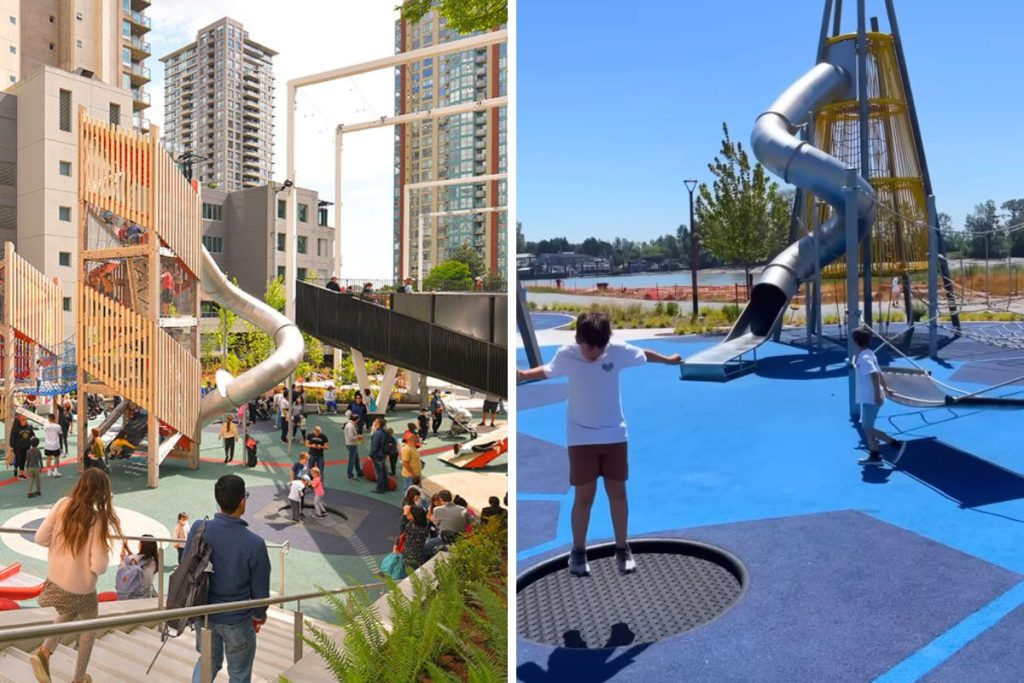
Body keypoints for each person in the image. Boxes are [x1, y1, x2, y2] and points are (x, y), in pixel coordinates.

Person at [516, 310, 682, 576]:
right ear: (578, 339)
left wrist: (668, 360)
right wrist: (523, 375)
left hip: (614, 434)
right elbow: (548, 371)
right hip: (581, 438)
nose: (592, 352)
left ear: (606, 342)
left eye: (598, 347)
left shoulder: (616, 351)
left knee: (618, 494)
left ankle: (622, 548)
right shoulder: (567, 354)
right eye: (588, 346)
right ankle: (578, 552)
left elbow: (644, 354)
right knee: (584, 497)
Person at [30, 468, 123, 683]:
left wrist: (61, 546)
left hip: (55, 581)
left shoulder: (63, 505)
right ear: (102, 493)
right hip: (81, 587)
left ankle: (45, 652)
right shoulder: (96, 519)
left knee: (70, 609)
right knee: (89, 628)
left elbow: (40, 538)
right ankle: (79, 678)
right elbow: (98, 565)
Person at [184, 474, 270, 683]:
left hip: (203, 613)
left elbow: (187, 564)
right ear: (242, 501)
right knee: (239, 674)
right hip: (237, 619)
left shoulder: (199, 528)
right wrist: (258, 616)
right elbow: (261, 591)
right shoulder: (254, 544)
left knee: (207, 662)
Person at [852, 327, 904, 466]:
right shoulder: (869, 353)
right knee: (867, 427)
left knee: (867, 427)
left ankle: (895, 444)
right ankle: (875, 455)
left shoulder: (864, 357)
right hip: (870, 397)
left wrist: (877, 395)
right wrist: (885, 388)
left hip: (871, 398)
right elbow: (879, 373)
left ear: (856, 342)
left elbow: (874, 374)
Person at [425, 490, 471, 557]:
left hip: (443, 539)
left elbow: (437, 524)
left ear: (440, 499)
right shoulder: (463, 509)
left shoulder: (437, 509)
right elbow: (471, 520)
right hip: (460, 538)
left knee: (426, 547)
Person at [116, 535, 158, 599]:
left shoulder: (133, 559)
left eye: (139, 542)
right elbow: (138, 562)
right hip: (148, 592)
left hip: (136, 594)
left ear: (142, 545)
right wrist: (128, 550)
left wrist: (122, 559)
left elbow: (125, 571)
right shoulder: (154, 561)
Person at [401, 506, 430, 573]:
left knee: (410, 575)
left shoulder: (412, 527)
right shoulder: (425, 525)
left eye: (409, 514)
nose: (408, 515)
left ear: (415, 516)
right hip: (418, 555)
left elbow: (401, 528)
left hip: (410, 557)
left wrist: (405, 513)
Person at [11, 413, 35, 479]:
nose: (24, 421)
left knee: (23, 460)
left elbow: (32, 434)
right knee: (19, 459)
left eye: (25, 420)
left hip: (26, 446)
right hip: (17, 447)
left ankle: (21, 474)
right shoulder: (16, 428)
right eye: (22, 420)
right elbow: (12, 437)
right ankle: (16, 466)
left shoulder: (29, 427)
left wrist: (33, 439)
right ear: (19, 421)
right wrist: (11, 446)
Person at [369, 418, 389, 493]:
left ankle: (380, 488)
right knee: (384, 471)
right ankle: (386, 486)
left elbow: (375, 445)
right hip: (383, 454)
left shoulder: (377, 433)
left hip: (378, 455)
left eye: (375, 422)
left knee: (379, 472)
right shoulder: (384, 432)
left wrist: (370, 455)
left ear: (378, 424)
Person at [344, 413, 363, 481]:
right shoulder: (350, 426)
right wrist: (358, 436)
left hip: (351, 444)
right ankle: (350, 475)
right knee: (351, 461)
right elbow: (351, 437)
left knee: (356, 459)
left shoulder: (349, 425)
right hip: (351, 444)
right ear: (357, 419)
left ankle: (359, 472)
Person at [44, 412, 62, 477]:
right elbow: (60, 433)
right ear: (54, 419)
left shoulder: (45, 425)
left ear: (48, 419)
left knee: (48, 458)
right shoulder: (58, 426)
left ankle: (49, 471)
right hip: (55, 445)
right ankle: (55, 471)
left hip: (47, 444)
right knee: (56, 458)